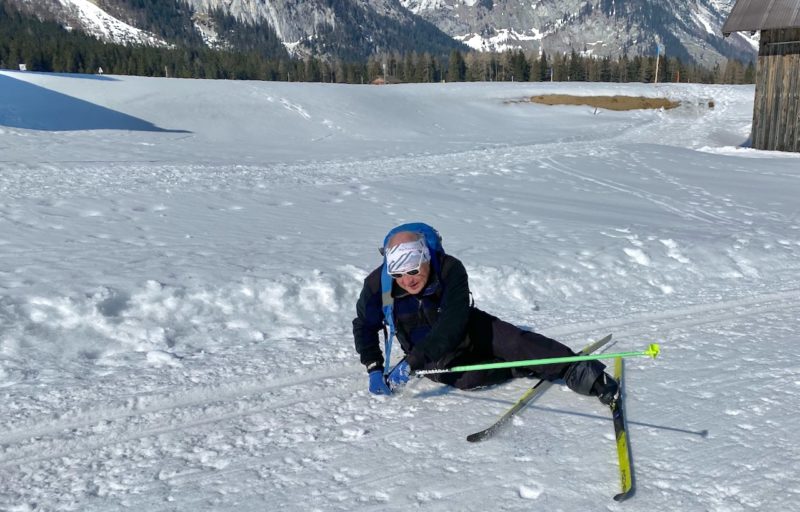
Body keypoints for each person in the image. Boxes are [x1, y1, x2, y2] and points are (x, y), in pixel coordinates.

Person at [353, 223, 619, 402]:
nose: (407, 281)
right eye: (398, 275)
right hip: (429, 352)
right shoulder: (379, 285)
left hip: (465, 327)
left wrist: (411, 363)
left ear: (426, 258)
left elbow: (452, 323)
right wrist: (374, 368)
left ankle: (581, 373)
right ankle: (519, 368)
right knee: (470, 379)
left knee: (516, 341)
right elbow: (365, 325)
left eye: (413, 271)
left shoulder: (449, 270)